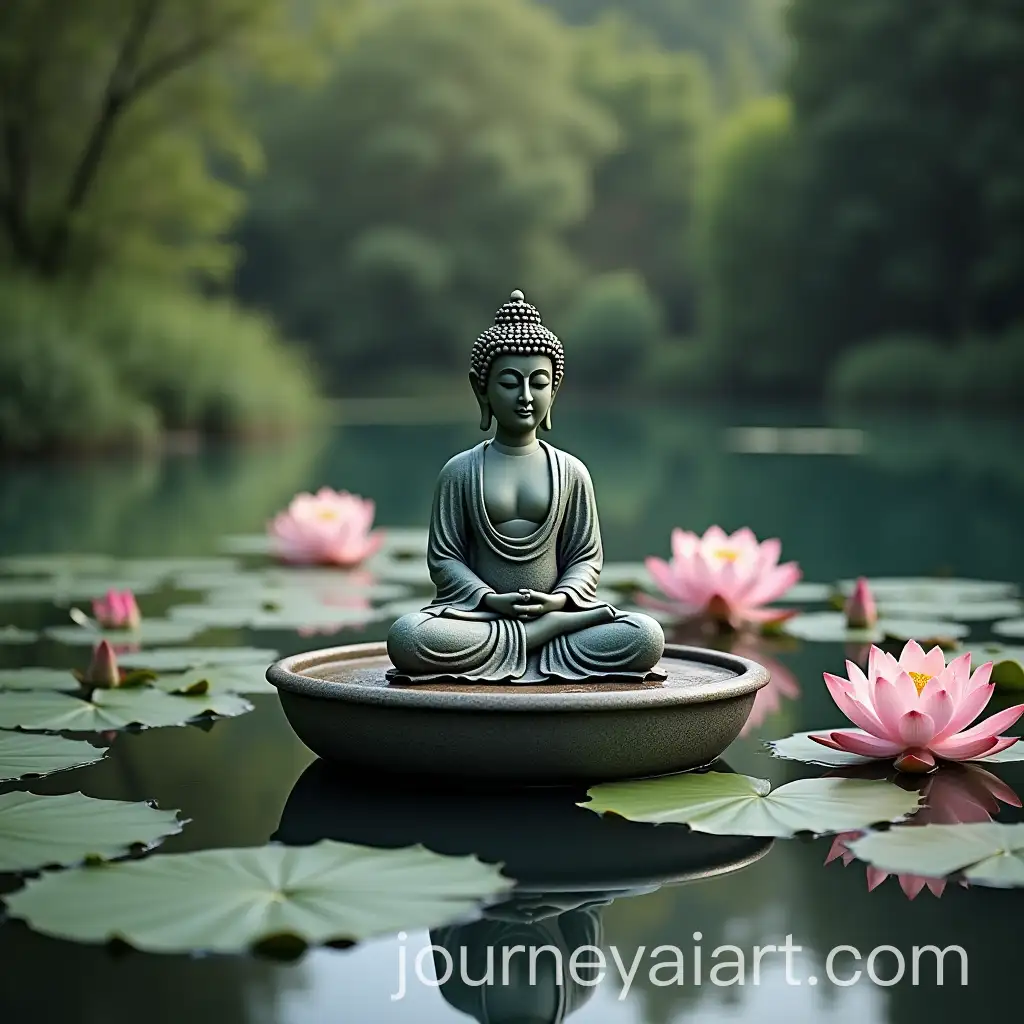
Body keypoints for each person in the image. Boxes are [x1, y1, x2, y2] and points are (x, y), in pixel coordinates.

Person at [386, 290, 665, 684]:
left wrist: (559, 601)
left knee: (645, 635)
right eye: (509, 383)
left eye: (539, 383)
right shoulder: (460, 472)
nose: (525, 397)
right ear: (481, 388)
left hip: (559, 617)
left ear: (555, 388)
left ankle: (534, 637)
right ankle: (537, 639)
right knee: (409, 636)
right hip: (483, 618)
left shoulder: (571, 472)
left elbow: (586, 558)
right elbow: (445, 560)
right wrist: (491, 600)